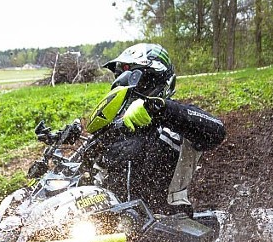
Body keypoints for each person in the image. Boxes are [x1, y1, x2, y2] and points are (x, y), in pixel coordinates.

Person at [85, 43, 226, 215]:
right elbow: (87, 180)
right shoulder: (116, 129)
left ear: (158, 79)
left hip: (169, 223)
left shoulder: (177, 123)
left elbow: (217, 130)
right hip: (115, 225)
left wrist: (158, 108)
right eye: (123, 77)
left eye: (135, 77)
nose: (129, 85)